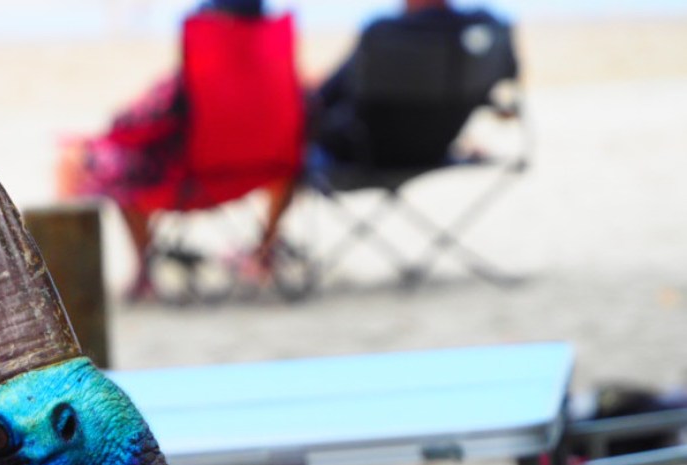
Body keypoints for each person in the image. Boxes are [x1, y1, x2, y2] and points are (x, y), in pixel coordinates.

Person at [58, 0, 297, 301]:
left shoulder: (201, 74)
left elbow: (131, 123)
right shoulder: (278, 73)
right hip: (263, 172)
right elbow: (304, 118)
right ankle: (265, 253)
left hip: (191, 179)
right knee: (295, 161)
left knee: (80, 158)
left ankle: (131, 273)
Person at [311, 0, 518, 169]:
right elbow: (506, 86)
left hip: (366, 156)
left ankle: (278, 219)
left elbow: (324, 98)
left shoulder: (383, 34)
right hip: (435, 150)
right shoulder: (483, 32)